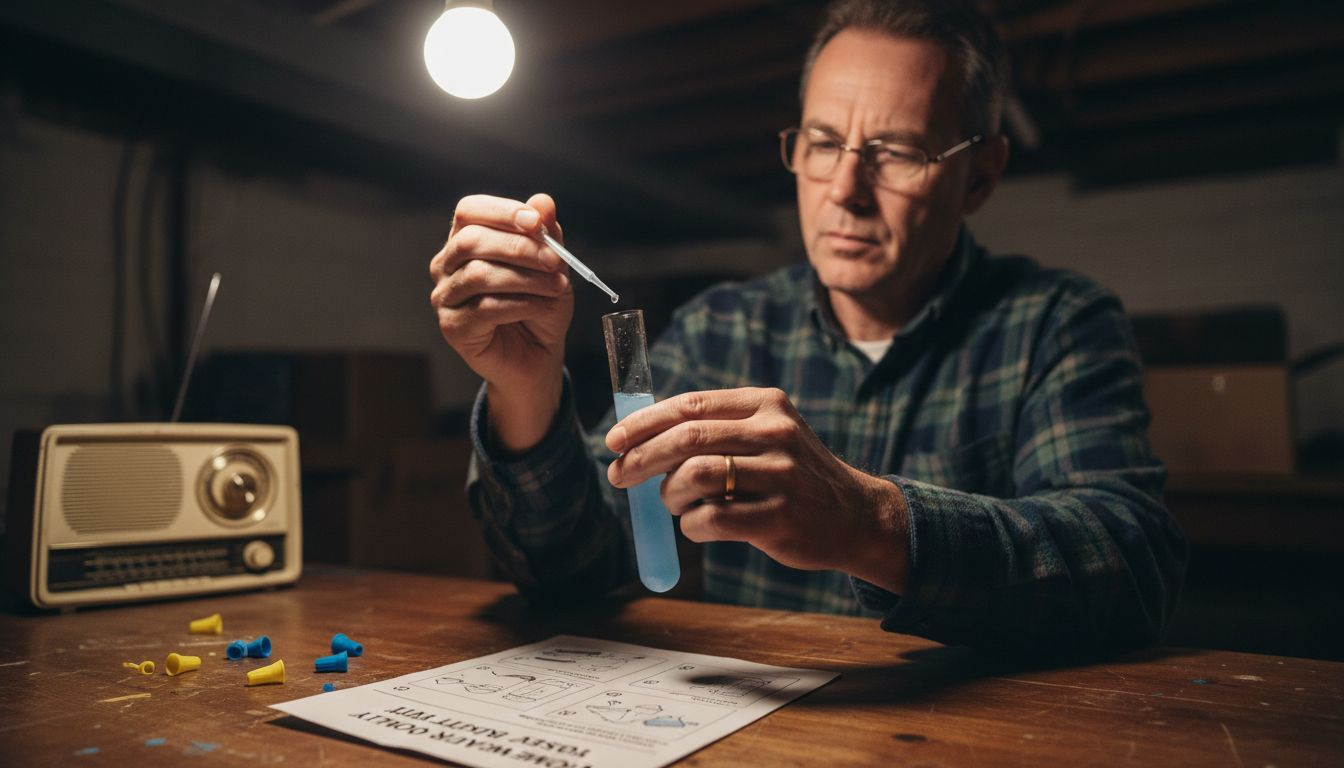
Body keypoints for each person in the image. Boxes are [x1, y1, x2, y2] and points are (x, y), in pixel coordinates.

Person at [429, 0, 1186, 654]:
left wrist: (870, 523)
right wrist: (524, 389)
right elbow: (566, 571)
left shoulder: (1055, 323)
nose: (847, 191)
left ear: (980, 174)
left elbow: (1132, 570)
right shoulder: (721, 328)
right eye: (823, 144)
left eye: (898, 151)